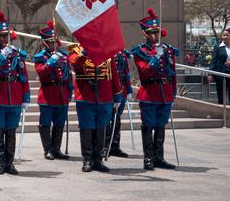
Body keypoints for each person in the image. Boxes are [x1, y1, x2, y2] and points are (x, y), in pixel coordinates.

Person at [129, 9, 178, 170]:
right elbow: (145, 71)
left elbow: (172, 72)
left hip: (165, 92)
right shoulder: (140, 51)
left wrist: (173, 90)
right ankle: (148, 158)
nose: (155, 36)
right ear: (144, 34)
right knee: (148, 125)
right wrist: (156, 56)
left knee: (161, 125)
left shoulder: (167, 49)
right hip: (149, 93)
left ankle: (159, 157)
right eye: (151, 33)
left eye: (157, 32)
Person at [0, 12, 30, 175]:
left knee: (11, 131)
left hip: (14, 98)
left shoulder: (17, 54)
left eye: (7, 36)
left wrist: (25, 98)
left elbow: (24, 77)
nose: (5, 39)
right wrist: (1, 57)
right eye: (1, 36)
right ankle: (0, 162)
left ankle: (10, 163)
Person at [68, 45, 120, 173]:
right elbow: (75, 65)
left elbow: (113, 73)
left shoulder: (107, 52)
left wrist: (117, 94)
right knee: (87, 127)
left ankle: (98, 159)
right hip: (86, 96)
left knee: (101, 127)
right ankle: (87, 159)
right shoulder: (76, 51)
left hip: (105, 96)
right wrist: (84, 53)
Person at [33, 21, 73, 161]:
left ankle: (57, 149)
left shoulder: (63, 55)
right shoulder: (40, 58)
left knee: (60, 123)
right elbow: (41, 73)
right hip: (48, 95)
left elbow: (68, 75)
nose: (53, 45)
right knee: (45, 123)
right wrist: (50, 62)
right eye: (50, 42)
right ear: (44, 43)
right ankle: (48, 150)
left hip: (61, 94)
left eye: (55, 41)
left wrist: (70, 91)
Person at [108, 50, 134, 158]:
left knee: (117, 119)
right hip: (109, 90)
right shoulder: (106, 51)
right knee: (106, 120)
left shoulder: (122, 53)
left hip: (121, 90)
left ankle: (115, 146)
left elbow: (126, 73)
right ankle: (105, 146)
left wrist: (129, 89)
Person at [208, 29, 230, 106]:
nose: (225, 37)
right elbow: (213, 60)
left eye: (227, 35)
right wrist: (210, 74)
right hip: (220, 74)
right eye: (223, 35)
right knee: (221, 94)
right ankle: (221, 113)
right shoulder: (218, 47)